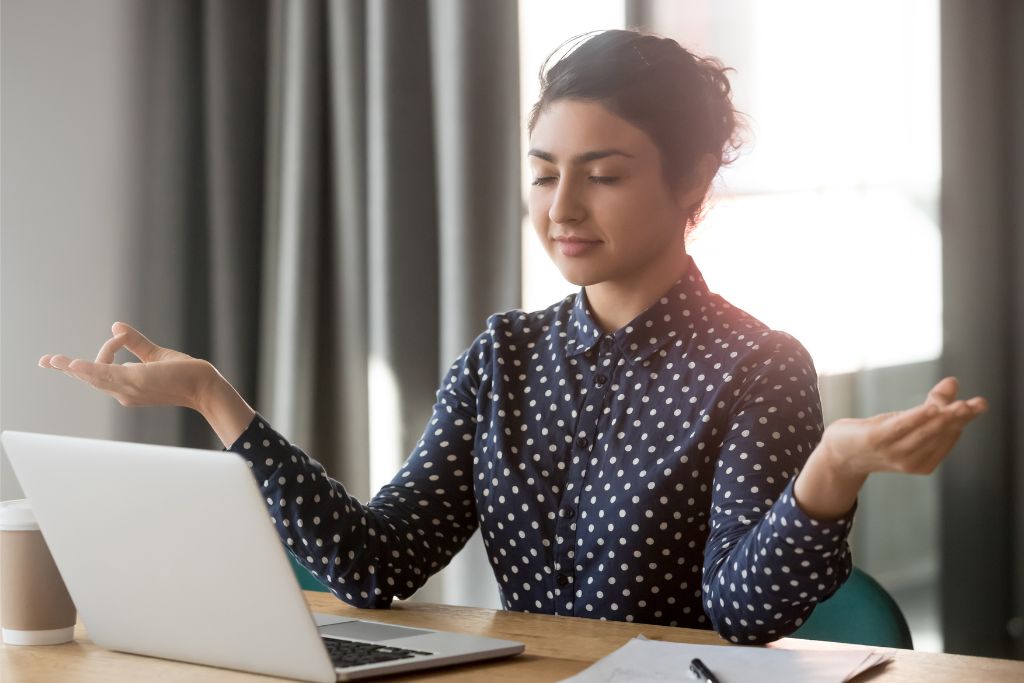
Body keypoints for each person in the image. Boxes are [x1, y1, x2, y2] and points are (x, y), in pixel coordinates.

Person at [38, 29, 986, 644]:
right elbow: (377, 561)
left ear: (694, 182)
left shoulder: (757, 365)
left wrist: (831, 471)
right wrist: (217, 400)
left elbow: (743, 613)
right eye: (542, 172)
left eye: (603, 174)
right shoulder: (505, 356)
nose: (562, 207)